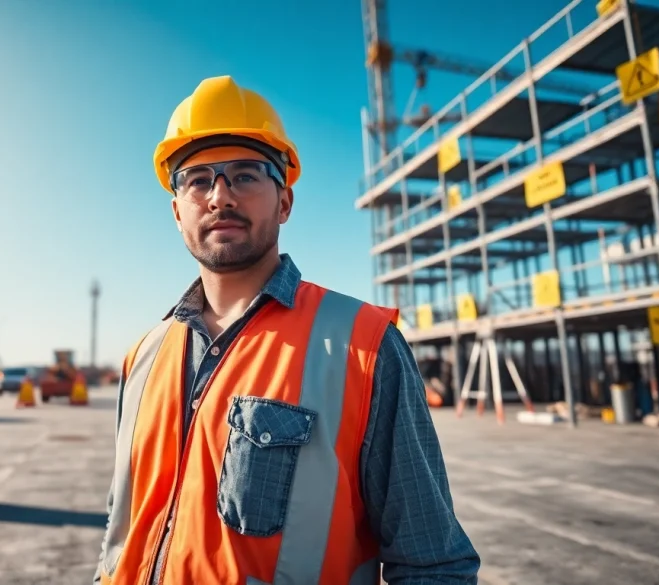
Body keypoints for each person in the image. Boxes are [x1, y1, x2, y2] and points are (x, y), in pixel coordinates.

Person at [94, 75, 480, 585]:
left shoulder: (363, 347)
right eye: (197, 179)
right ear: (176, 212)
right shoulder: (142, 357)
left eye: (245, 174)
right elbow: (119, 535)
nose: (219, 196)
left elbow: (433, 564)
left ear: (284, 203)